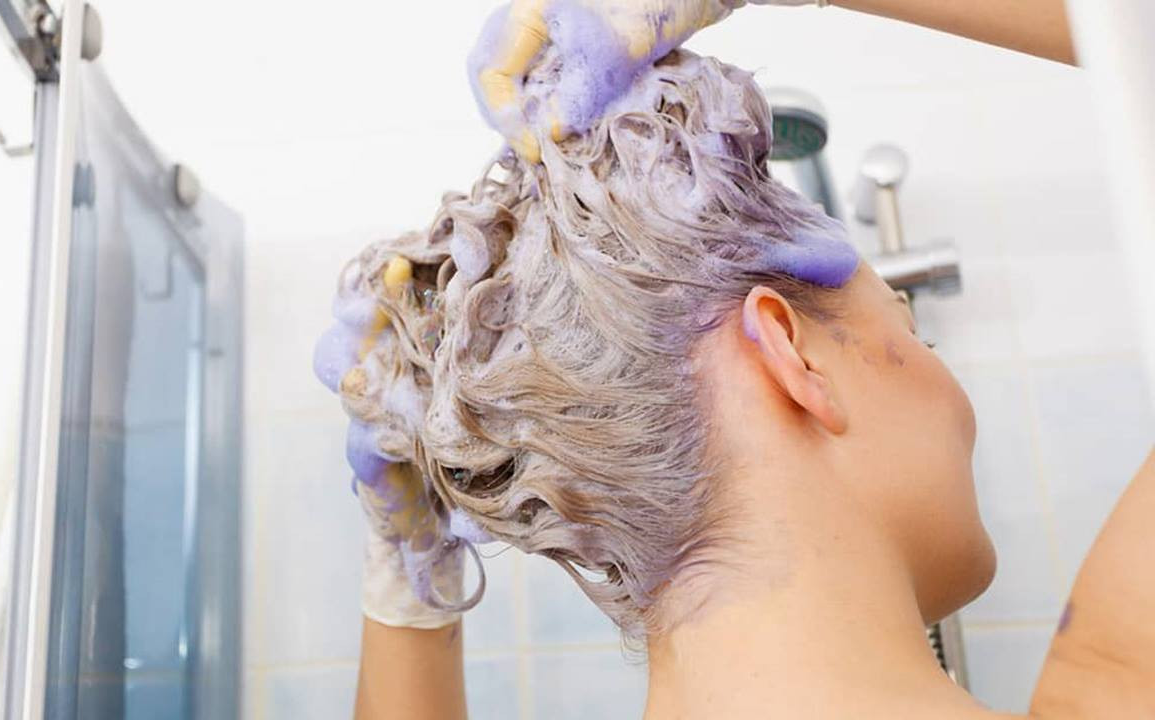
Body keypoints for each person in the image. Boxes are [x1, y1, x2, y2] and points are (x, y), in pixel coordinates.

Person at [320, 2, 1154, 718]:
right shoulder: (1117, 687)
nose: (956, 394)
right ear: (792, 355)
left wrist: (407, 567)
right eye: (910, 331)